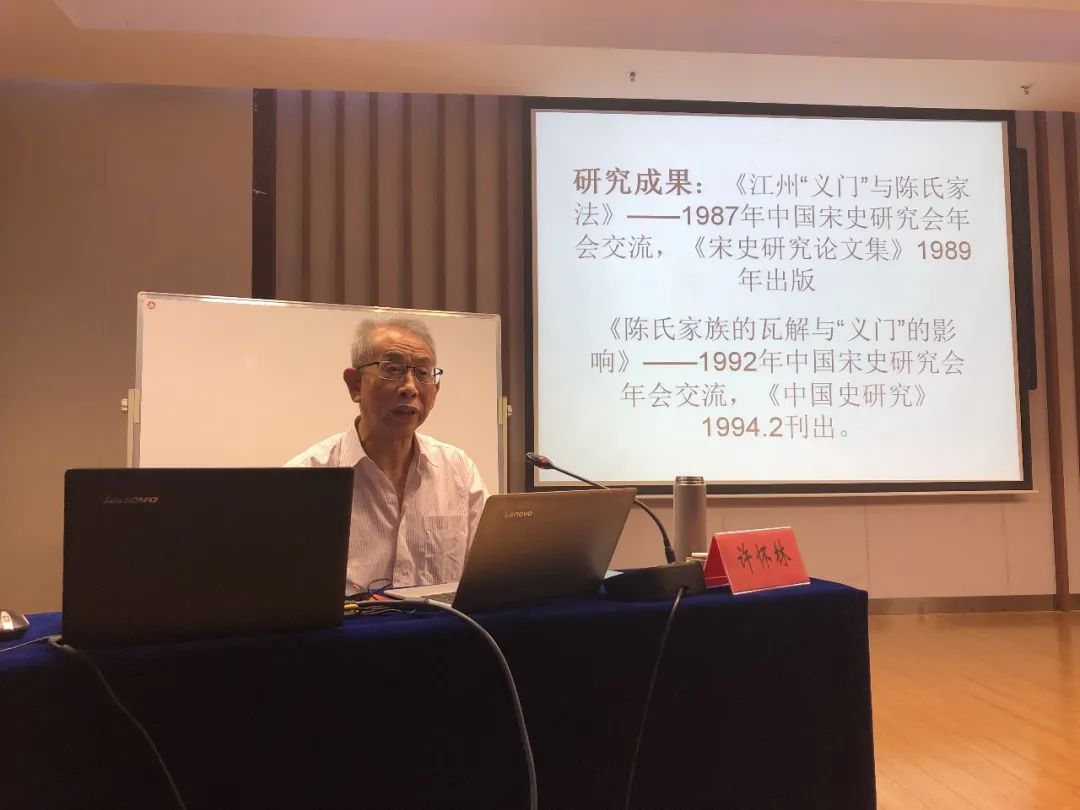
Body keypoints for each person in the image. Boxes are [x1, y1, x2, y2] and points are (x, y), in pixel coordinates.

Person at [286, 316, 489, 593]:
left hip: (442, 622)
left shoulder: (459, 471)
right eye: (393, 370)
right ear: (355, 385)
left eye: (423, 373)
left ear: (435, 390)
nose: (410, 387)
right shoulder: (304, 478)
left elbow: (489, 577)